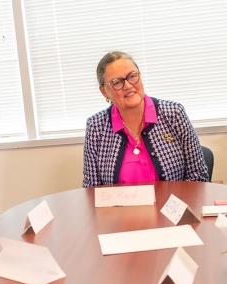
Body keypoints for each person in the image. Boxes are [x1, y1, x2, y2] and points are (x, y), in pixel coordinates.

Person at [82, 51, 209, 187]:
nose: (128, 86)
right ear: (104, 92)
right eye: (116, 82)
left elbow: (198, 177)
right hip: (119, 208)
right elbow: (91, 189)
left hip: (171, 207)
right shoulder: (96, 126)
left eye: (132, 76)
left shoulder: (174, 113)